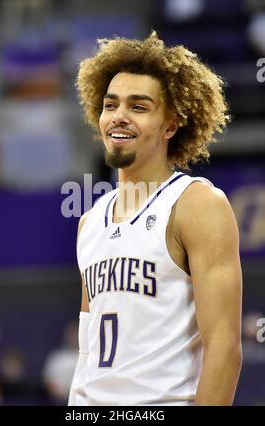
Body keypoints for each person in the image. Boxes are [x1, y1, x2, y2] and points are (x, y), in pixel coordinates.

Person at [68, 31, 242, 406]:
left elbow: (225, 348)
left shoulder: (197, 204)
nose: (119, 117)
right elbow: (86, 354)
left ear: (170, 125)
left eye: (138, 107)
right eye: (110, 104)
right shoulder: (90, 221)